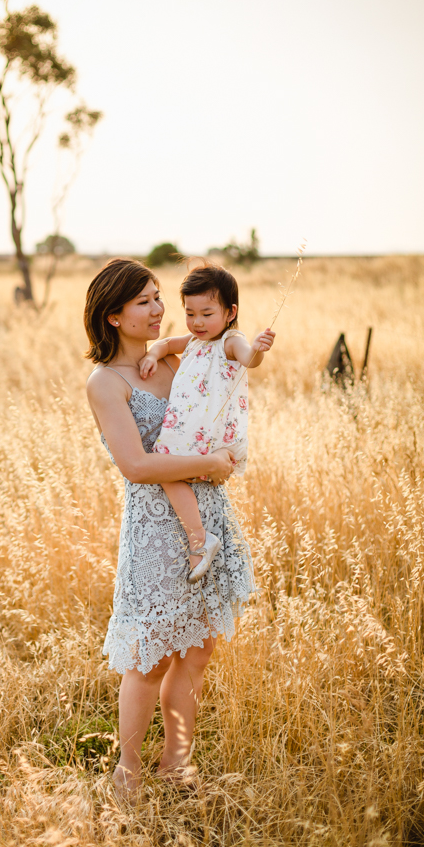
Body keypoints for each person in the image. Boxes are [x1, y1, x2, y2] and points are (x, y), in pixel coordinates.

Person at [84, 258, 256, 797]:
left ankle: (177, 763)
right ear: (113, 317)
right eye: (144, 302)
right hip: (157, 529)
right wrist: (207, 464)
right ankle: (127, 773)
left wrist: (224, 453)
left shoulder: (187, 357)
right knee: (150, 657)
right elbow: (136, 467)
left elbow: (219, 408)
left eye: (160, 297)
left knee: (198, 652)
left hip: (209, 514)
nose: (160, 311)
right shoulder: (106, 382)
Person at [138, 263, 275, 583]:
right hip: (189, 431)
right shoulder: (194, 341)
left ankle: (199, 541)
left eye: (207, 313)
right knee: (168, 473)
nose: (197, 322)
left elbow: (249, 359)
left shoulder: (230, 340)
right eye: (190, 313)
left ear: (230, 312)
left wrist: (258, 349)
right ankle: (200, 539)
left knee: (165, 469)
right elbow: (167, 344)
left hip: (208, 434)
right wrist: (152, 354)